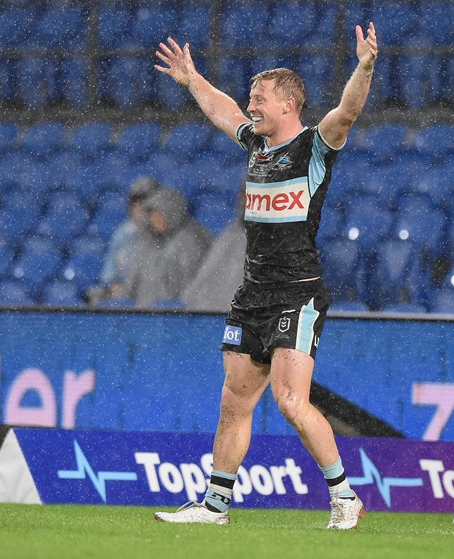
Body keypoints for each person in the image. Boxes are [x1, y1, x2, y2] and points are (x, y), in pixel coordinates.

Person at [152, 22, 378, 529]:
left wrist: (363, 67)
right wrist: (192, 80)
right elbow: (222, 110)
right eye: (251, 98)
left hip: (296, 295)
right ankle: (215, 506)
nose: (251, 106)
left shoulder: (314, 148)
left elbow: (349, 111)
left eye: (260, 99)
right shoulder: (255, 143)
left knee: (291, 400)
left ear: (288, 105)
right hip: (252, 293)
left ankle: (345, 497)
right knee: (234, 403)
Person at [115, 186, 212, 308]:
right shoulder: (146, 242)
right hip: (144, 315)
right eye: (152, 215)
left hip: (177, 317)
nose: (155, 220)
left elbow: (193, 285)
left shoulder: (189, 241)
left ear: (172, 213)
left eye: (160, 214)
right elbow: (133, 281)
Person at [181, 182, 247, 312]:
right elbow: (207, 273)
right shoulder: (230, 233)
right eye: (243, 195)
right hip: (217, 315)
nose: (245, 200)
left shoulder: (273, 237)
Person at [94, 176, 160, 302]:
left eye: (145, 204)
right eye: (136, 204)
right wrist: (113, 283)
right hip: (125, 290)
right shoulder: (123, 232)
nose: (140, 209)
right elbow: (111, 266)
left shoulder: (163, 232)